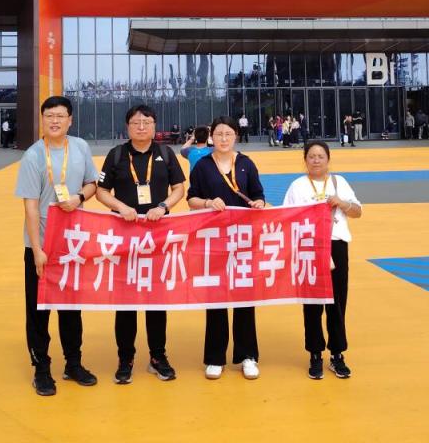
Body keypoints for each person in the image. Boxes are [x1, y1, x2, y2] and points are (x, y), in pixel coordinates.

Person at [15, 96, 100, 396]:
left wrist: (79, 198)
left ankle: (73, 364)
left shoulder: (81, 147)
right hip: (42, 246)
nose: (54, 121)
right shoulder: (33, 156)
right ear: (42, 120)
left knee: (71, 308)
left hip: (72, 244)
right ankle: (41, 368)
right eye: (49, 115)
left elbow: (93, 183)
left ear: (70, 120)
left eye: (60, 116)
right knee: (39, 309)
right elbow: (30, 207)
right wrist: (37, 249)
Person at [97, 104, 186, 385]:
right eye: (136, 122)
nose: (141, 127)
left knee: (156, 301)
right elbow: (101, 191)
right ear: (128, 127)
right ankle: (125, 359)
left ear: (154, 126)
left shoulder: (165, 153)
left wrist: (163, 206)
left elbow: (179, 188)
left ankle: (158, 357)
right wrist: (121, 207)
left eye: (147, 122)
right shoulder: (116, 155)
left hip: (156, 238)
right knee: (125, 302)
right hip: (125, 238)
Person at [187, 116, 267, 380]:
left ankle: (248, 356)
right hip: (214, 241)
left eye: (228, 134)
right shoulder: (203, 166)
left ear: (235, 136)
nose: (223, 138)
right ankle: (215, 358)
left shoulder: (246, 163)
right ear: (211, 136)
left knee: (245, 297)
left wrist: (258, 203)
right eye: (219, 134)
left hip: (243, 240)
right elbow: (191, 199)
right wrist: (208, 203)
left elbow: (258, 194)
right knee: (216, 299)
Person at [282, 140, 362, 379]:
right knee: (312, 304)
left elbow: (358, 211)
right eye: (311, 156)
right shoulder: (297, 186)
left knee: (337, 302)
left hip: (336, 247)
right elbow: (285, 217)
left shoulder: (339, 182)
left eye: (320, 156)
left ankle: (337, 353)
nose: (316, 160)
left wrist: (342, 203)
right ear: (305, 160)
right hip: (309, 247)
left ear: (328, 160)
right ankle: (315, 353)